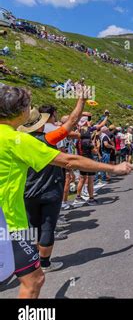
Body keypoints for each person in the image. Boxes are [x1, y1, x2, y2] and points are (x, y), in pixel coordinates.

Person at [0, 85, 133, 298]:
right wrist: (114, 168)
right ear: (21, 112)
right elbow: (69, 160)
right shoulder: (18, 141)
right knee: (34, 280)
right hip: (11, 224)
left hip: (19, 210)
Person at [19, 92, 87, 273]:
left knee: (31, 226)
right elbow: (71, 122)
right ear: (40, 124)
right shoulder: (49, 138)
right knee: (47, 226)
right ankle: (45, 263)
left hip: (26, 191)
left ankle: (31, 260)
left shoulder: (18, 142)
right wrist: (81, 100)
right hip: (49, 190)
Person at [73, 112, 108, 207]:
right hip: (89, 161)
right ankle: (91, 198)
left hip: (81, 160)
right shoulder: (88, 141)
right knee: (90, 180)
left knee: (82, 178)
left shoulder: (79, 138)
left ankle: (78, 196)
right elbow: (95, 151)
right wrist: (96, 146)